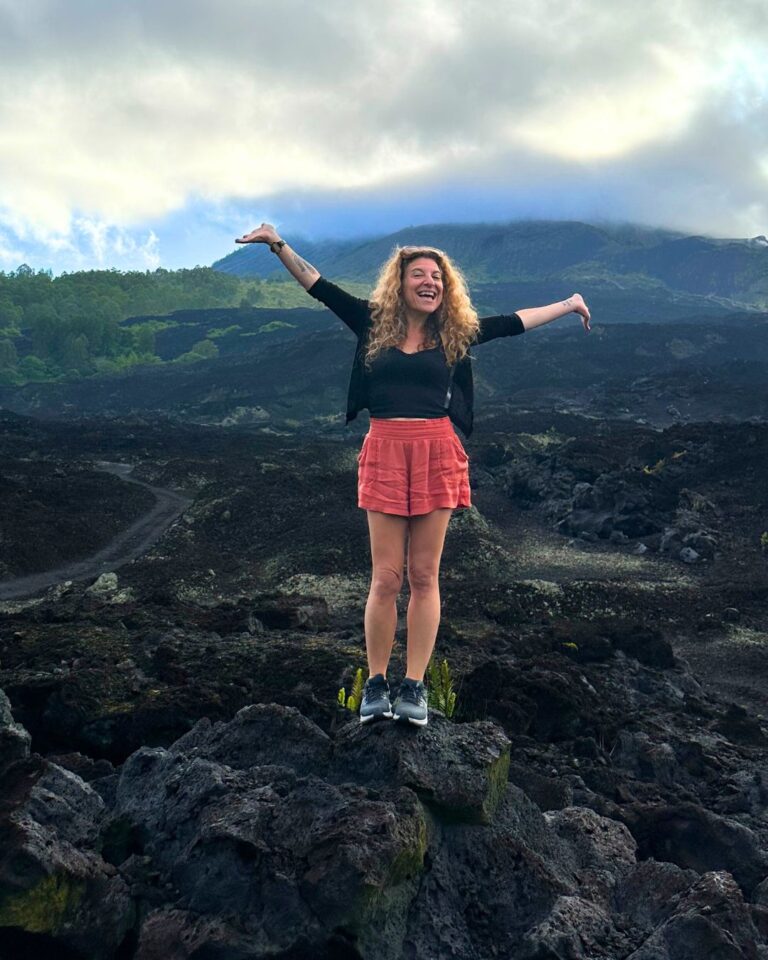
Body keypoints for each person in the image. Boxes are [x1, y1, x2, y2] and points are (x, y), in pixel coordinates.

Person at [236, 223, 591, 726]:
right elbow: (316, 284)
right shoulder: (371, 322)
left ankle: (415, 688)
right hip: (384, 448)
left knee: (424, 577)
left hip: (437, 452)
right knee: (386, 578)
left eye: (438, 278)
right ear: (399, 283)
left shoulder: (456, 333)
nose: (430, 283)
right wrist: (277, 244)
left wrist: (569, 302)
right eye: (419, 275)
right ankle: (376, 684)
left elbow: (515, 322)